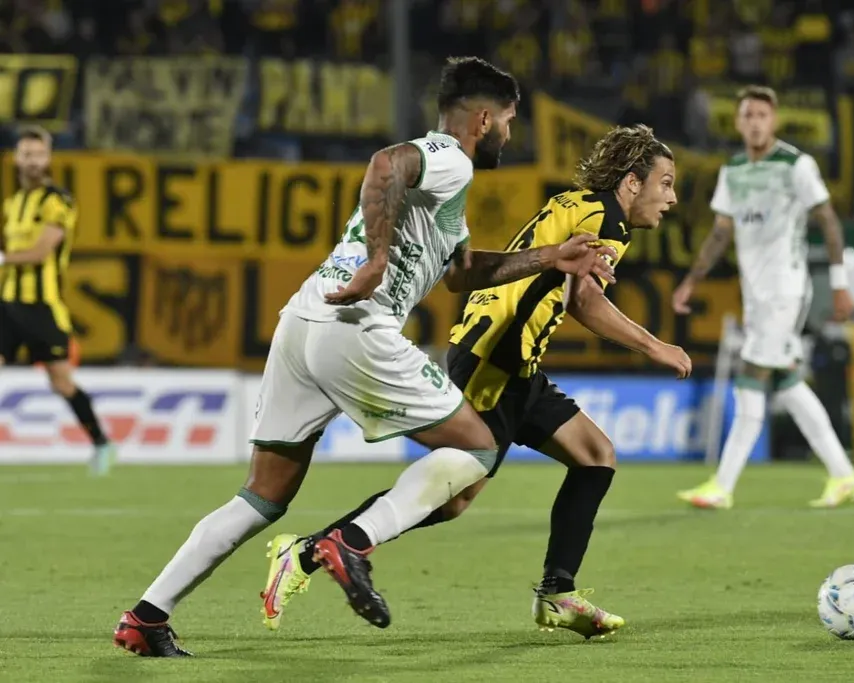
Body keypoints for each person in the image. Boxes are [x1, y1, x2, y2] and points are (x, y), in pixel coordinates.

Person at [112, 56, 616, 658]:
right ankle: (351, 542)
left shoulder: (446, 189)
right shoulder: (448, 157)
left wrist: (549, 256)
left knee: (263, 496)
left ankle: (147, 616)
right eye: (508, 121)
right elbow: (385, 164)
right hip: (356, 326)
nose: (509, 134)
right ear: (484, 119)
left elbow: (461, 274)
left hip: (304, 321)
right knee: (478, 449)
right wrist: (378, 259)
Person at [260, 125, 693, 640]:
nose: (671, 198)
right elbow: (584, 299)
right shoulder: (607, 220)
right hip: (496, 361)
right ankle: (308, 553)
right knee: (453, 499)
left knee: (595, 455)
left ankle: (557, 594)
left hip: (511, 359)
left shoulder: (578, 204)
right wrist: (655, 346)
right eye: (665, 183)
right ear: (631, 183)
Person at [673, 85, 854, 510]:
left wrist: (840, 283)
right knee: (786, 381)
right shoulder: (734, 169)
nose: (756, 122)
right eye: (748, 115)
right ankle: (843, 474)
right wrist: (691, 280)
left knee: (751, 373)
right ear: (738, 122)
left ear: (774, 120)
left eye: (762, 114)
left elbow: (828, 220)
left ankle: (722, 486)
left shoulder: (796, 165)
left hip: (785, 287)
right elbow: (721, 232)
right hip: (756, 293)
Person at [0, 126, 115, 475]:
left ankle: (101, 443)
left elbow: (41, 251)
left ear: (49, 158)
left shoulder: (57, 201)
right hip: (7, 304)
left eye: (39, 154)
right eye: (26, 154)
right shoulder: (12, 204)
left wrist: (3, 259)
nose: (33, 161)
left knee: (61, 383)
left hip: (42, 308)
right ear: (16, 158)